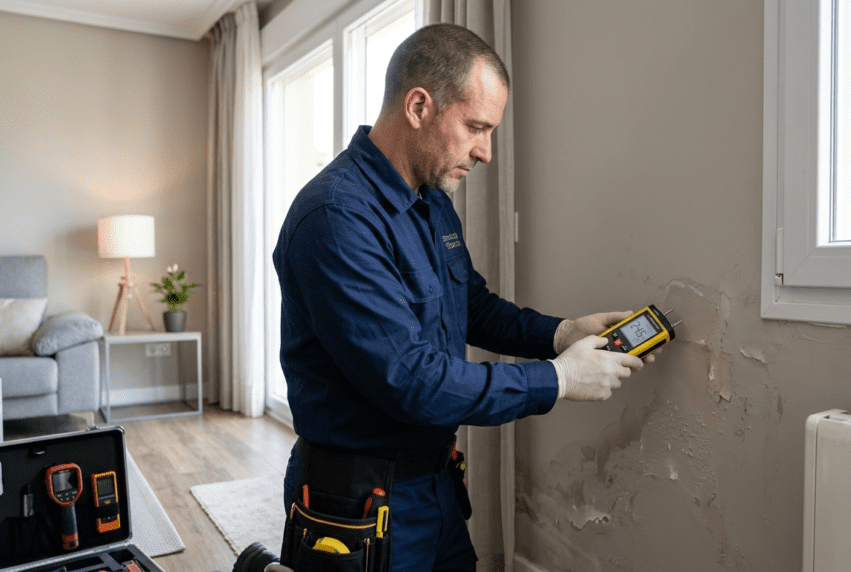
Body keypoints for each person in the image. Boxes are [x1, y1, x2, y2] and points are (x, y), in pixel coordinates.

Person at [272, 23, 657, 572]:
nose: (486, 152)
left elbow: (469, 304)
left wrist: (561, 333)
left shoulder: (431, 200)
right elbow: (411, 380)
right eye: (476, 127)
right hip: (358, 500)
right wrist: (559, 379)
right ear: (419, 106)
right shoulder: (336, 218)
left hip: (435, 485)